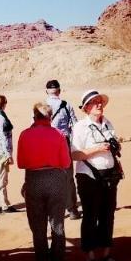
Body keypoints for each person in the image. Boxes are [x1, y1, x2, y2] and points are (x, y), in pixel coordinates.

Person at [16, 102, 72, 261]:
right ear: (50, 117)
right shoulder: (59, 134)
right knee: (58, 223)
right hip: (56, 179)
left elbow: (21, 163)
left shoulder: (25, 135)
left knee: (38, 226)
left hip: (34, 179)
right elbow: (66, 162)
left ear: (34, 116)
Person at [71, 89, 122, 261]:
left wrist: (115, 148)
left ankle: (106, 254)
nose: (99, 105)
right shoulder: (80, 127)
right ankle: (90, 257)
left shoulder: (108, 124)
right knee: (91, 217)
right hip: (89, 177)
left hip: (110, 175)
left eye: (100, 101)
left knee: (108, 215)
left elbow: (113, 146)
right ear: (86, 108)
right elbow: (75, 154)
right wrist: (97, 149)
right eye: (95, 102)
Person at [44, 79, 80, 220]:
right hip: (63, 142)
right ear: (59, 91)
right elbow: (75, 126)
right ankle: (72, 209)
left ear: (46, 91)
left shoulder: (41, 107)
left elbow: (34, 126)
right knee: (67, 177)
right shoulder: (66, 105)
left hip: (47, 144)